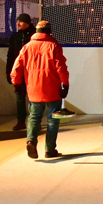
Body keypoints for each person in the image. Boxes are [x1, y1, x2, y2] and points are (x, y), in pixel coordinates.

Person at [10, 20, 70, 159]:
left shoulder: (27, 47)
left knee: (34, 117)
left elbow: (16, 67)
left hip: (33, 89)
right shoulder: (54, 46)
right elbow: (61, 68)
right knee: (53, 120)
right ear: (48, 31)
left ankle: (31, 141)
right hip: (52, 90)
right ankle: (49, 149)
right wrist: (65, 85)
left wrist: (16, 83)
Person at [5, 13, 35, 131]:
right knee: (19, 97)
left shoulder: (34, 36)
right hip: (19, 72)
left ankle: (33, 121)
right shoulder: (15, 37)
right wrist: (9, 72)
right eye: (17, 21)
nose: (18, 23)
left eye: (21, 21)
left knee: (32, 98)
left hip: (32, 72)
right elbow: (10, 56)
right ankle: (21, 121)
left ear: (27, 22)